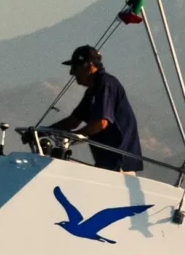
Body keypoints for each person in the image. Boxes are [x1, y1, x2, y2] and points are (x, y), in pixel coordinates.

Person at [48, 44, 142, 172]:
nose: (71, 72)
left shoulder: (106, 84)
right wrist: (43, 132)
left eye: (75, 67)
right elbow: (73, 121)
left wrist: (73, 137)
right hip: (106, 161)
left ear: (89, 66)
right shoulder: (92, 90)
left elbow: (101, 123)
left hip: (119, 162)